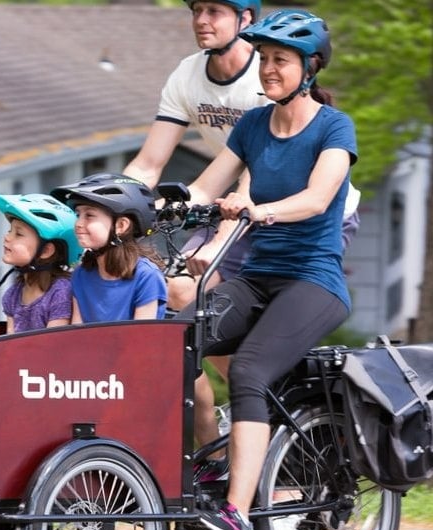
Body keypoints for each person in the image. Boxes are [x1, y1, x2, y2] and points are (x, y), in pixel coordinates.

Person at [123, 0, 360, 480]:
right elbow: (189, 181)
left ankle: (271, 434)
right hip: (247, 219)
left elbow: (284, 191)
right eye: (197, 10)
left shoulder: (303, 106)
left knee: (246, 355)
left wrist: (231, 231)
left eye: (216, 10)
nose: (202, 20)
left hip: (301, 228)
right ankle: (216, 450)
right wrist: (123, 209)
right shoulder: (210, 90)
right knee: (175, 323)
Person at [174, 8, 356, 530]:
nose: (269, 69)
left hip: (313, 280)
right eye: (266, 59)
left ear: (310, 68)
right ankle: (207, 467)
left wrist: (261, 210)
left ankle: (237, 513)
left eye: (282, 60)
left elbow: (318, 199)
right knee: (172, 343)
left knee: (249, 369)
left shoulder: (333, 127)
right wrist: (156, 205)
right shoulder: (253, 125)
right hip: (257, 276)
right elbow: (205, 186)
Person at [50, 173, 168, 323]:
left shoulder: (146, 276)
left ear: (121, 226)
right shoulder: (81, 274)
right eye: (78, 215)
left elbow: (143, 335)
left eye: (89, 215)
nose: (78, 223)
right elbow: (77, 331)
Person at [0, 193, 81, 333]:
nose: (7, 237)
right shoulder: (12, 295)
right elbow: (10, 342)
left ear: (46, 250)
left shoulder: (60, 292)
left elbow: (55, 342)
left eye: (18, 234)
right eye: (10, 231)